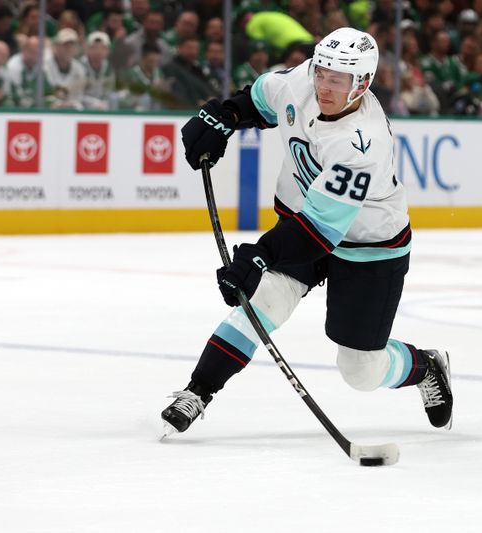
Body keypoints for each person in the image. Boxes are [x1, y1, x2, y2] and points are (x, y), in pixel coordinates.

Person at [162, 27, 453, 435]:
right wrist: (224, 115)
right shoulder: (304, 79)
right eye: (322, 72)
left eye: (338, 79)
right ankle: (198, 391)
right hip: (303, 220)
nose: (324, 86)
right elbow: (259, 100)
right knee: (261, 302)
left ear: (363, 84)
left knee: (360, 370)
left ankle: (426, 367)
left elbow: (317, 232)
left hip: (367, 245)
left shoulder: (362, 143)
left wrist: (260, 253)